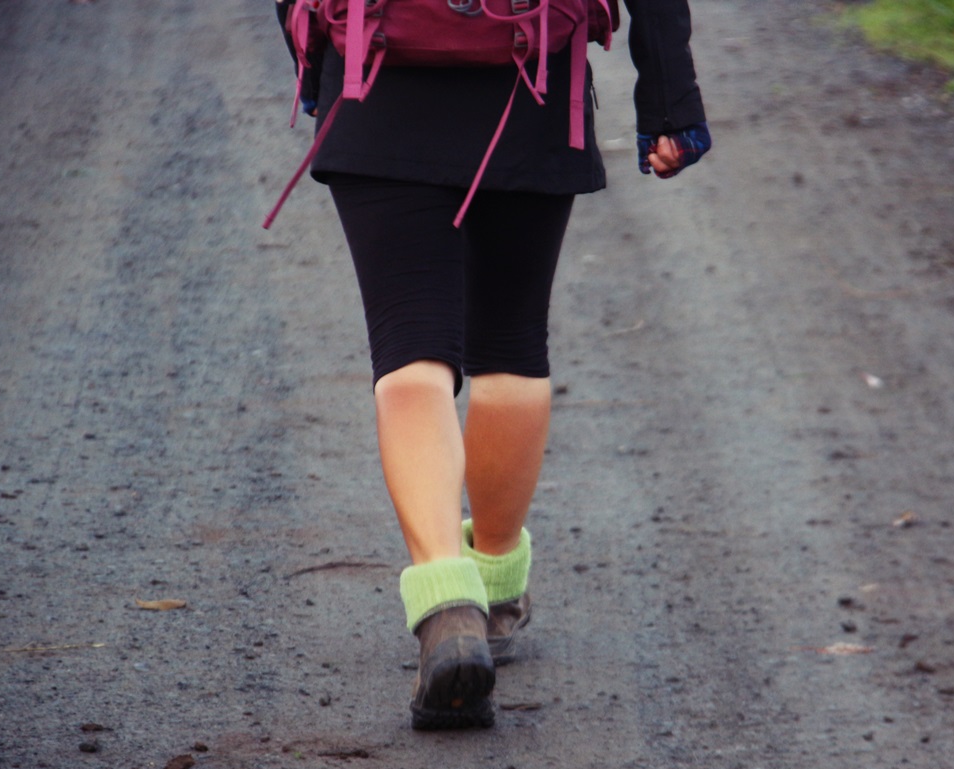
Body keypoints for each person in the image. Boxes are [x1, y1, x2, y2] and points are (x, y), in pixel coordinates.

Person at [277, 0, 710, 730]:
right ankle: (496, 580)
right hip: (530, 85)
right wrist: (670, 103)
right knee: (510, 350)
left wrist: (315, 59)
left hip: (378, 82)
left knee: (410, 354)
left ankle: (449, 605)